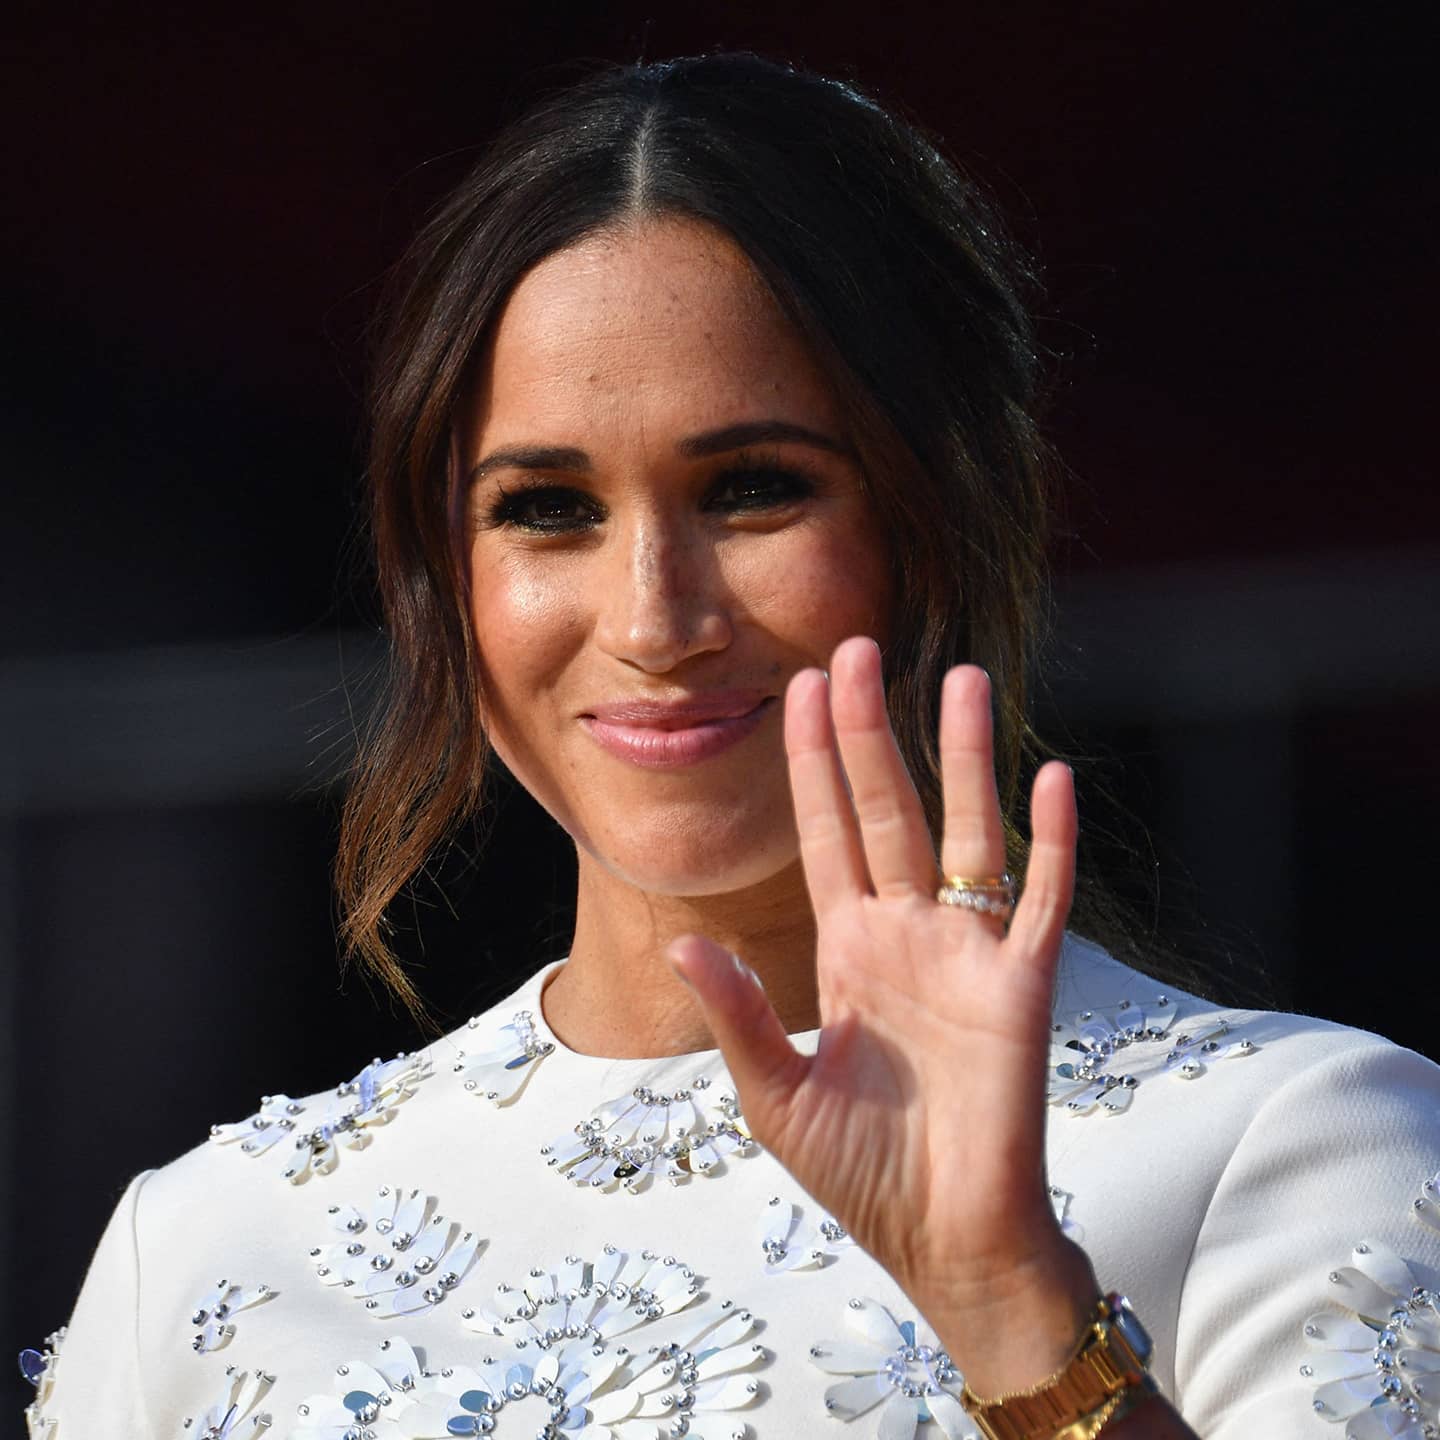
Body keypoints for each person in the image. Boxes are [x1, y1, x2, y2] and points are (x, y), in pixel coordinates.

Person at [21, 53, 1440, 1440]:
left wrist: (1014, 1306)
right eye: (546, 509)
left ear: (941, 526)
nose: (654, 620)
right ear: (440, 578)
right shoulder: (208, 1249)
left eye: (753, 490)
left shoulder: (1293, 1151)